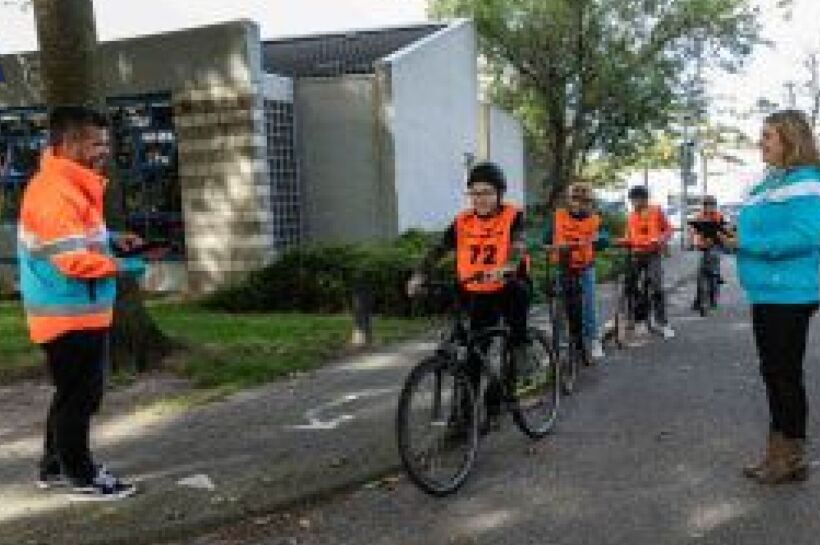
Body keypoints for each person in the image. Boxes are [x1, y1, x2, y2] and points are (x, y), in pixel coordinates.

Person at [18, 106, 147, 500]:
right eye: (96, 143)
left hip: (73, 311)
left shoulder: (69, 185)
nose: (104, 151)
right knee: (80, 398)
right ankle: (82, 476)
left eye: (105, 143)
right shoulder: (56, 192)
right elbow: (71, 260)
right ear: (67, 144)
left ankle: (55, 466)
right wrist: (122, 265)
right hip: (68, 315)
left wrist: (113, 240)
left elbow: (75, 240)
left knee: (69, 394)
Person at [719, 109, 820, 485]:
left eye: (768, 136)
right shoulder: (769, 182)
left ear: (790, 140)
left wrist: (747, 242)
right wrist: (728, 237)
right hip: (768, 289)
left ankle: (790, 456)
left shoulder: (806, 182)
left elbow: (806, 236)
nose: (760, 143)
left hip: (790, 290)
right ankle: (781, 453)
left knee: (783, 374)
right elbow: (755, 232)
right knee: (775, 372)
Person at [407, 161, 529, 425]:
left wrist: (508, 267)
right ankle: (467, 415)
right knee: (474, 351)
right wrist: (419, 274)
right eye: (474, 193)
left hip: (509, 287)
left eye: (486, 192)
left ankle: (518, 361)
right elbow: (438, 249)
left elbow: (518, 245)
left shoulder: (513, 216)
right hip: (477, 290)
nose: (479, 198)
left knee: (512, 337)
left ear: (499, 193)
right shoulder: (462, 221)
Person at [543, 181, 609, 360]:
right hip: (563, 267)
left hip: (585, 268)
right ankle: (562, 344)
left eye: (585, 200)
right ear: (569, 200)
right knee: (562, 305)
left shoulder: (594, 219)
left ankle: (593, 340)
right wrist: (550, 247)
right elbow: (545, 239)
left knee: (588, 304)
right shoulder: (558, 216)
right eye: (575, 199)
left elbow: (604, 238)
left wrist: (599, 240)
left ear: (591, 202)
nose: (580, 203)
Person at [619, 185, 675, 339]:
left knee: (656, 286)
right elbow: (628, 236)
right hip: (636, 254)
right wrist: (621, 241)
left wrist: (661, 239)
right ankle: (637, 318)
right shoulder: (631, 216)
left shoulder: (656, 211)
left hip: (653, 254)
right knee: (629, 286)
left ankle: (663, 323)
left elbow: (668, 229)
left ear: (645, 199)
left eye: (637, 199)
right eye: (632, 200)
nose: (634, 203)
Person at [689, 195, 727, 310]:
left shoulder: (719, 217)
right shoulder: (699, 217)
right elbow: (693, 231)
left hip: (715, 246)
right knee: (700, 274)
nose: (709, 207)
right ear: (704, 206)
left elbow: (725, 231)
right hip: (702, 246)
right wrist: (692, 242)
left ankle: (713, 299)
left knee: (713, 271)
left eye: (711, 205)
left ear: (715, 206)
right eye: (707, 205)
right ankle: (698, 300)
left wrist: (722, 238)